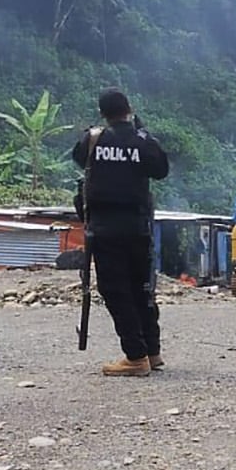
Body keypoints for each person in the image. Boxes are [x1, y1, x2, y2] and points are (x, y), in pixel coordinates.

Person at [72, 89, 170, 377]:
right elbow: (161, 169)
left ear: (102, 113)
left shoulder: (93, 139)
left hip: (104, 229)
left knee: (116, 290)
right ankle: (152, 351)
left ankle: (135, 356)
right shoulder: (143, 141)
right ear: (130, 108)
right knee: (142, 289)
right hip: (138, 228)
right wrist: (138, 132)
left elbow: (79, 160)